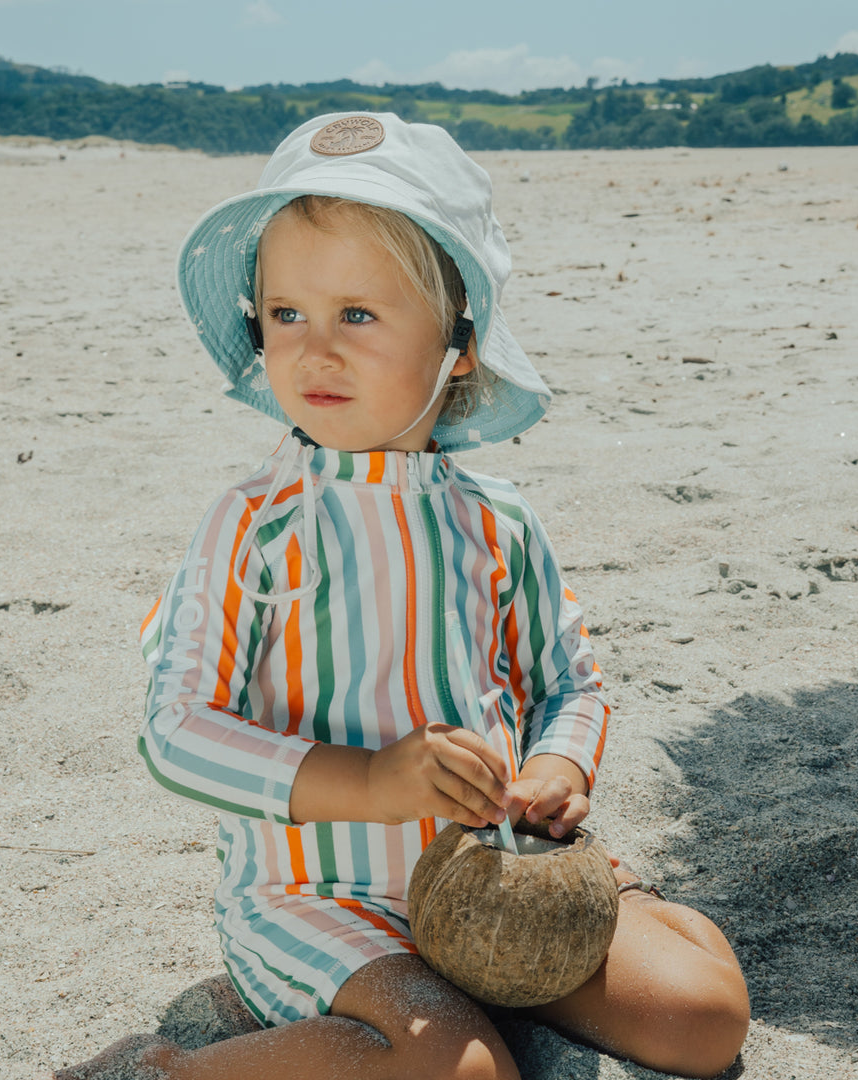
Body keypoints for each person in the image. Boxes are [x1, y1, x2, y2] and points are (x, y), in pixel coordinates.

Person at [55, 113, 749, 1080]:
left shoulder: (498, 521)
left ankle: (619, 905)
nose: (315, 349)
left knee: (703, 1021)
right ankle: (168, 1068)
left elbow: (572, 684)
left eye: (359, 315)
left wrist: (557, 770)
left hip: (490, 875)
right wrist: (372, 782)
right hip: (318, 897)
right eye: (286, 315)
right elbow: (173, 733)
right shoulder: (253, 523)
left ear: (459, 344)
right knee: (462, 1072)